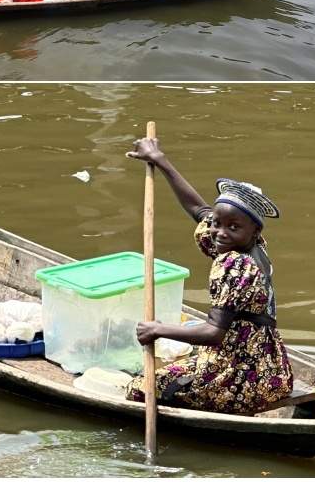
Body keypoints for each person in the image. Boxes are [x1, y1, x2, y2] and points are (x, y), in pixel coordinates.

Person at [123, 137, 293, 414]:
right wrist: (159, 159)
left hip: (241, 377)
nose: (220, 233)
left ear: (254, 232)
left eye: (233, 227)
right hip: (272, 369)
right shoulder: (253, 247)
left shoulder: (235, 265)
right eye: (217, 224)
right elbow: (199, 210)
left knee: (140, 387)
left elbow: (214, 333)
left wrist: (157, 329)